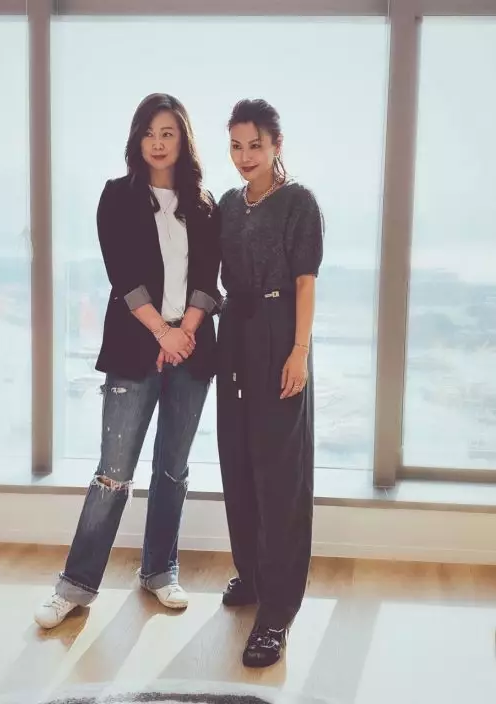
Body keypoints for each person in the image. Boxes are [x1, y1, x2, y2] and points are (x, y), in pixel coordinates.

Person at [35, 93, 220, 629]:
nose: (157, 143)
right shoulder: (117, 196)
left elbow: (209, 277)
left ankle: (159, 572)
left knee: (173, 469)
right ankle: (74, 586)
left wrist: (184, 333)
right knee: (113, 473)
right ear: (136, 140)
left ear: (183, 140)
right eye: (148, 133)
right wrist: (163, 332)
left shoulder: (203, 204)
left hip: (190, 349)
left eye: (168, 133)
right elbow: (123, 274)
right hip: (136, 346)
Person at [216, 99, 324, 667]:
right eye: (236, 146)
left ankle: (277, 613)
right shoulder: (229, 203)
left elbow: (305, 282)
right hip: (235, 331)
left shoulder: (299, 201)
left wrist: (298, 352)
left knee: (280, 473)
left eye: (254, 145)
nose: (244, 156)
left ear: (276, 144)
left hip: (282, 333)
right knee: (237, 459)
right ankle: (253, 575)